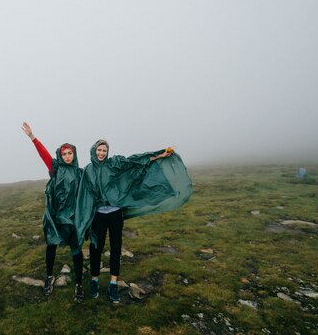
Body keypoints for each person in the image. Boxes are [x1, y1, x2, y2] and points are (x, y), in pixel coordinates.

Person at [74, 139, 193, 304]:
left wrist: (159, 155)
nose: (101, 153)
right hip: (98, 215)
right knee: (96, 247)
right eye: (99, 150)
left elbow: (134, 161)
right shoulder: (88, 171)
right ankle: (94, 280)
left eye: (104, 151)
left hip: (115, 213)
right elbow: (84, 194)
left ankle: (113, 283)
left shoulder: (114, 164)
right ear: (94, 151)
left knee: (116, 247)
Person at [22, 122, 85, 302]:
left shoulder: (80, 173)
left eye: (69, 153)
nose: (67, 156)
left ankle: (79, 284)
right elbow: (44, 154)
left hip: (73, 218)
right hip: (56, 217)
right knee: (51, 245)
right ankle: (49, 277)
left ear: (74, 154)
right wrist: (33, 137)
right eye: (64, 153)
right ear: (61, 155)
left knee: (76, 250)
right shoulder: (55, 168)